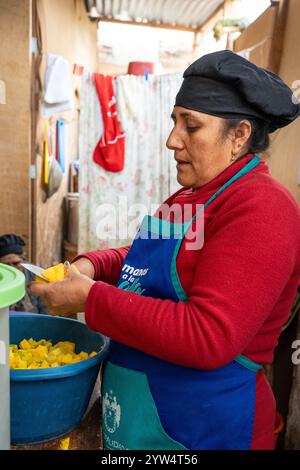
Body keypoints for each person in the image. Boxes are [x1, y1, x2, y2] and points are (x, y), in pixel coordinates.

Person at [30, 50, 300, 450]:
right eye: (175, 122)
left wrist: (92, 299)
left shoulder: (263, 208)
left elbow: (208, 336)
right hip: (144, 418)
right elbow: (154, 256)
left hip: (203, 430)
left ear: (240, 134)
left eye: (191, 126)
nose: (172, 140)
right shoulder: (193, 196)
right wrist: (96, 265)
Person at [0, 234, 48, 315]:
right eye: (7, 265)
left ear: (24, 259)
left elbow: (45, 309)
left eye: (16, 263)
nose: (12, 269)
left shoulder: (36, 275)